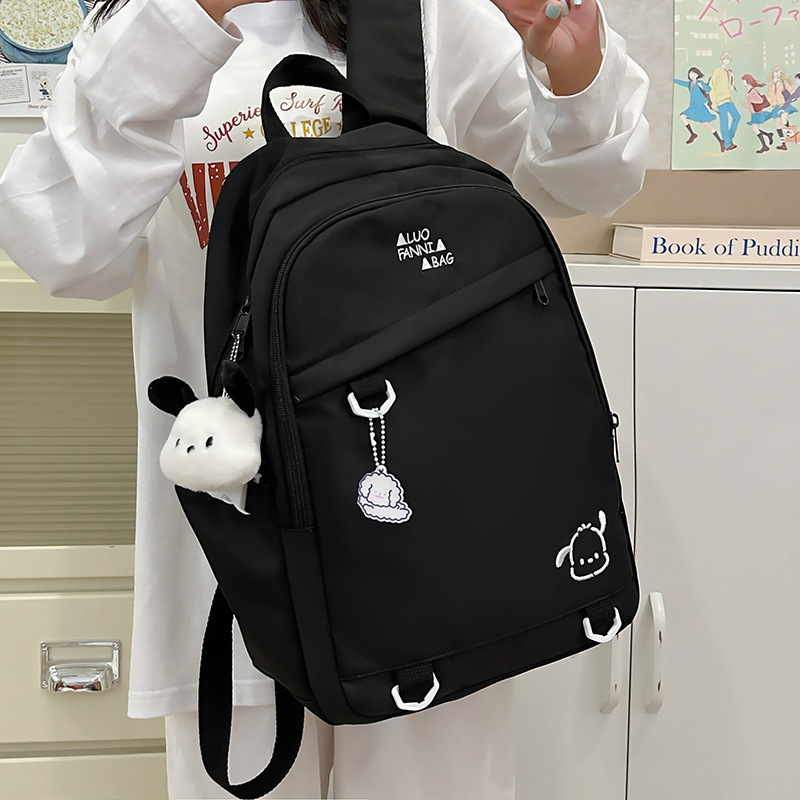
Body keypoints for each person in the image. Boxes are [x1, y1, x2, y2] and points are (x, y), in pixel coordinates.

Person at [0, 0, 649, 797]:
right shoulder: (147, 22)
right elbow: (66, 250)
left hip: (432, 542)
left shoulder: (432, 16)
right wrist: (183, 22)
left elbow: (582, 182)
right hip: (231, 545)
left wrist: (573, 66)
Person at [674, 67, 724, 150]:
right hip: (693, 106)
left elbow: (709, 89)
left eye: (694, 73)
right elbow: (681, 82)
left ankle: (720, 141)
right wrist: (672, 79)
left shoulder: (700, 83)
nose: (692, 75)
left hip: (700, 107)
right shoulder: (689, 84)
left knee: (707, 125)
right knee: (682, 116)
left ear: (698, 74)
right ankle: (693, 134)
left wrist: (702, 86)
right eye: (690, 74)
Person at [709, 51, 740, 152]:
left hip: (729, 99)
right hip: (720, 100)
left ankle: (728, 138)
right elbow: (712, 86)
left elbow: (730, 87)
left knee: (737, 116)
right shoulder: (718, 70)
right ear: (722, 59)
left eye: (729, 59)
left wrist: (732, 77)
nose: (727, 61)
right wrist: (713, 101)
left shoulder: (729, 72)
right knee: (724, 121)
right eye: (725, 59)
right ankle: (727, 144)